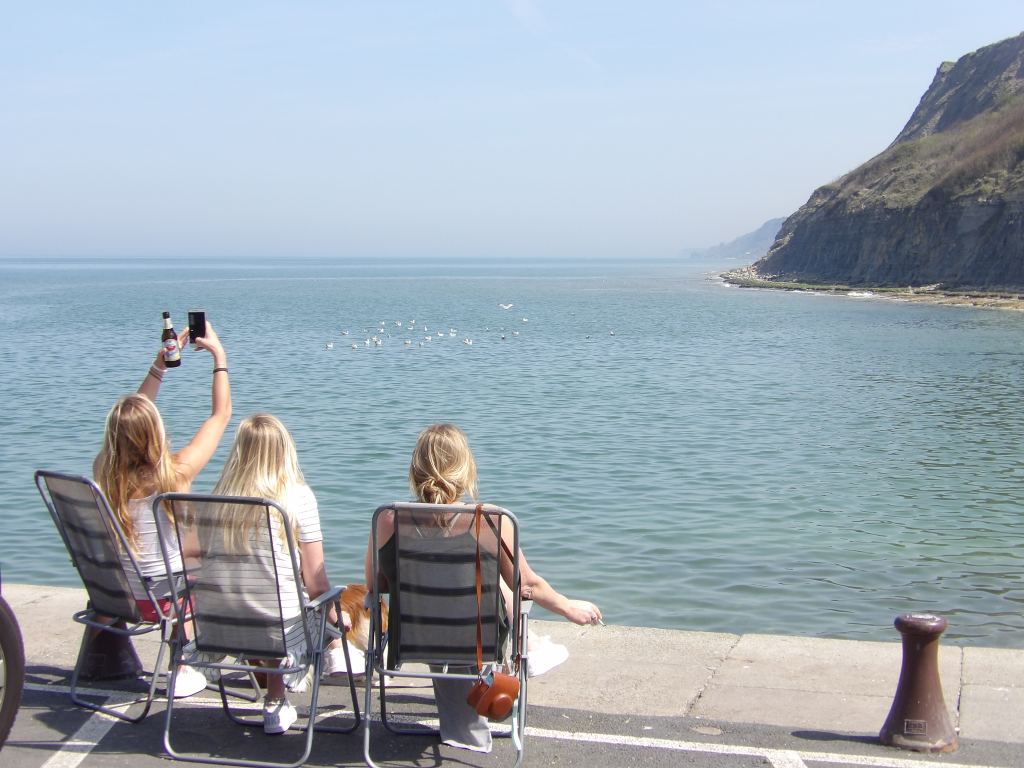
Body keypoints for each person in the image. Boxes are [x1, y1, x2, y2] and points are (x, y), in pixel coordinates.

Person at [365, 423, 602, 753]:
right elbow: (527, 584)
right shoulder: (490, 521)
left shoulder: (387, 519)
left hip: (416, 633)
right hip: (477, 637)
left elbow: (375, 586)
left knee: (450, 590)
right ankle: (530, 647)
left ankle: (517, 660)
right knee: (501, 587)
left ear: (415, 470)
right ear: (466, 469)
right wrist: (567, 606)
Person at [93, 321, 231, 698]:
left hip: (118, 595)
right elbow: (220, 417)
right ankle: (184, 658)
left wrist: (160, 367)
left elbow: (129, 424)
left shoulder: (103, 474)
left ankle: (100, 647)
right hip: (168, 599)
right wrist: (219, 357)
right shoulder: (177, 475)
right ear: (157, 433)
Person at [210, 413, 350, 735]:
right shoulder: (298, 498)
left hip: (219, 624)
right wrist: (335, 618)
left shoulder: (218, 499)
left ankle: (275, 691)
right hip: (280, 630)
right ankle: (278, 698)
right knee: (327, 615)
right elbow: (316, 582)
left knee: (263, 596)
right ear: (286, 450)